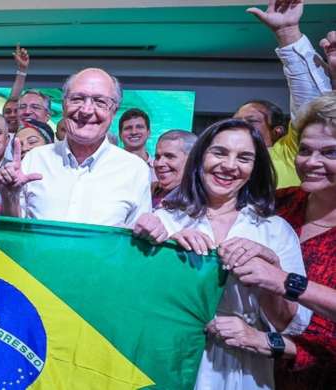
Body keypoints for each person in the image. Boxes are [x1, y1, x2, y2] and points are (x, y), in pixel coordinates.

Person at [136, 118, 310, 389]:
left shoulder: (274, 230)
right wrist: (162, 248)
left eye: (244, 158)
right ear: (200, 157)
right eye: (219, 152)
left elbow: (288, 323)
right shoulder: (167, 220)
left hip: (243, 367)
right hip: (171, 357)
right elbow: (138, 301)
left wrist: (271, 271)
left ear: (254, 168)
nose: (229, 165)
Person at [208, 93, 336, 389]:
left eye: (330, 153)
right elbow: (210, 210)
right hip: (255, 370)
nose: (311, 162)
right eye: (305, 150)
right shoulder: (278, 203)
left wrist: (287, 282)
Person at [0, 68, 151, 227]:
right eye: (77, 99)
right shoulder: (34, 159)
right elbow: (14, 233)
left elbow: (137, 241)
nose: (86, 110)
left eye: (100, 101)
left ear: (114, 110)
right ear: (64, 105)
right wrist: (10, 197)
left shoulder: (135, 170)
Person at [246, 0, 332, 189]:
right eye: (235, 122)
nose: (240, 128)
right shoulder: (236, 168)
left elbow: (312, 103)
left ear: (278, 131)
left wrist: (287, 32)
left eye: (250, 121)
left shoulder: (291, 151)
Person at [152, 130, 197, 208]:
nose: (159, 163)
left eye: (169, 156)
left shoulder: (198, 203)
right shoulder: (149, 190)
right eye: (157, 157)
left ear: (192, 160)